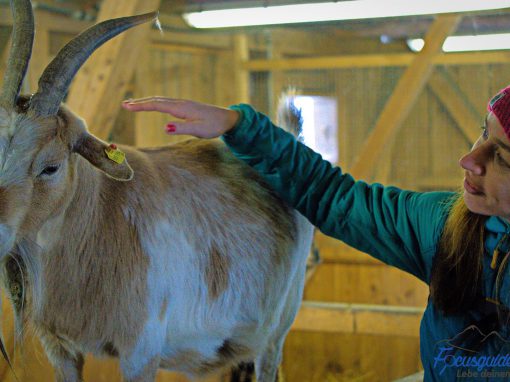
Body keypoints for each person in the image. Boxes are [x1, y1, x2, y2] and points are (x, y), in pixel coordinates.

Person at [121, 87, 510, 381]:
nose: (470, 159)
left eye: (502, 157)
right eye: (482, 133)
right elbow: (332, 194)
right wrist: (238, 127)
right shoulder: (447, 226)